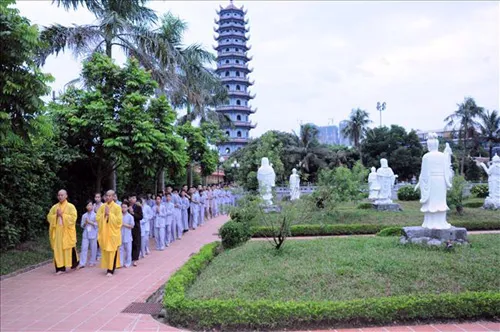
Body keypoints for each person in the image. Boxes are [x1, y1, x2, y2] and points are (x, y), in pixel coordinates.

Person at [46, 189, 79, 275]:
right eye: (59, 195)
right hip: (57, 232)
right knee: (58, 250)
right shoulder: (54, 207)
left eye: (62, 195)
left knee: (70, 248)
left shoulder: (71, 206)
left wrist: (62, 215)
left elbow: (73, 218)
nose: (60, 197)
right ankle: (60, 268)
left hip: (67, 231)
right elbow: (49, 217)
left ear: (66, 196)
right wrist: (56, 215)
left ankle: (74, 263)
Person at [97, 190, 122, 277]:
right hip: (105, 233)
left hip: (113, 233)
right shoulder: (102, 207)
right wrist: (104, 215)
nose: (108, 197)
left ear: (113, 197)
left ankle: (111, 269)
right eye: (106, 196)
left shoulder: (117, 207)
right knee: (106, 250)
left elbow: (119, 221)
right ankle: (108, 267)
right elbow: (98, 218)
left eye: (110, 196)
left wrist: (109, 215)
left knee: (112, 250)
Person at [78, 201, 98, 269]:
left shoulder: (96, 215)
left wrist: (90, 222)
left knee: (93, 248)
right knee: (84, 248)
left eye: (90, 205)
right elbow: (82, 225)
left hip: (93, 233)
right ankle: (82, 263)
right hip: (86, 234)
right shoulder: (84, 215)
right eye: (88, 205)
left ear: (93, 206)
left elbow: (97, 225)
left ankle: (92, 261)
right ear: (86, 207)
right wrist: (85, 223)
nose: (89, 207)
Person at [128, 194, 142, 267]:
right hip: (127, 227)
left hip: (136, 227)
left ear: (136, 199)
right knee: (129, 243)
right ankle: (129, 257)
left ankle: (135, 259)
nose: (132, 199)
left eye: (133, 198)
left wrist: (133, 213)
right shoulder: (126, 206)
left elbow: (140, 217)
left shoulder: (138, 207)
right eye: (131, 197)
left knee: (136, 243)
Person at [120, 202, 134, 268]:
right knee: (121, 249)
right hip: (120, 234)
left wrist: (124, 224)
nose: (123, 208)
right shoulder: (119, 216)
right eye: (122, 207)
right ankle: (121, 262)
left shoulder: (130, 216)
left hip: (128, 235)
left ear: (128, 208)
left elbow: (132, 226)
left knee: (128, 250)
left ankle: (128, 262)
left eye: (125, 207)